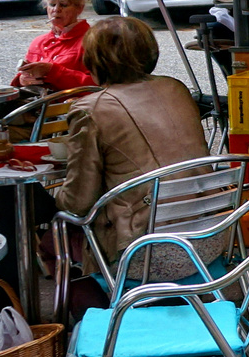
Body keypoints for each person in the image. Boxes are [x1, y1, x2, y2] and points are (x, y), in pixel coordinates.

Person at [53, 16, 219, 285]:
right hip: (211, 235)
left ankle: (101, 319)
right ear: (149, 51)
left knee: (56, 236)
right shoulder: (175, 88)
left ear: (94, 59)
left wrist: (51, 195)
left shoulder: (92, 109)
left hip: (147, 252)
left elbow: (78, 203)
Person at [13, 0, 97, 93]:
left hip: (70, 106)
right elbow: (23, 81)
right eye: (52, 4)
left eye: (63, 5)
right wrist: (23, 79)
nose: (56, 10)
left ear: (79, 8)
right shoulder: (39, 42)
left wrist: (54, 72)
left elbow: (97, 86)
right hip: (36, 104)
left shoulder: (91, 40)